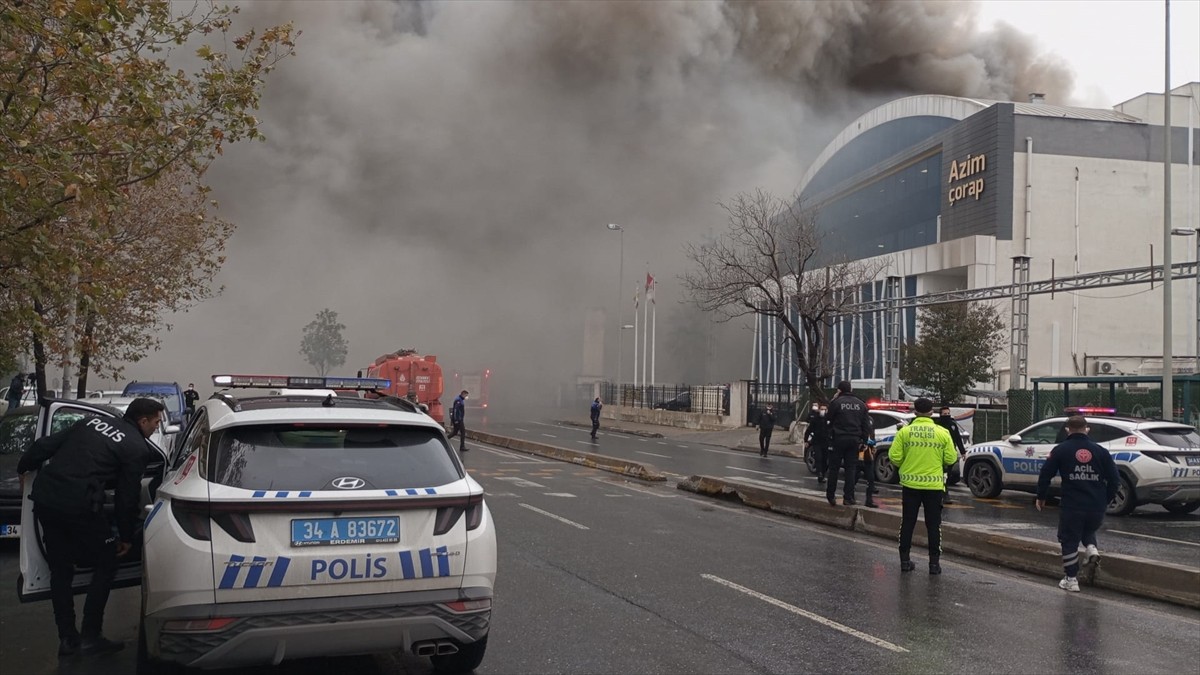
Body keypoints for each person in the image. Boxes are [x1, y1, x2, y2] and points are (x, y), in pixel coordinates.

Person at [17, 397, 166, 656]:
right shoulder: (137, 448)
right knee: (107, 559)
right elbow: (126, 496)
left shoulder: (92, 422)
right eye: (156, 422)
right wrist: (126, 535)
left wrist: (23, 468)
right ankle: (90, 635)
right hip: (80, 506)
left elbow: (45, 445)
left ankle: (67, 639)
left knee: (60, 570)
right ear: (142, 421)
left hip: (46, 499)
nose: (157, 426)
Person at [1036, 415, 1119, 593]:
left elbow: (1045, 474)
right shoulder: (1101, 451)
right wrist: (1105, 500)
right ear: (1086, 428)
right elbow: (1114, 479)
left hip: (1072, 505)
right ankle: (1091, 548)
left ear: (1068, 429)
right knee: (1087, 530)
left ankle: (1071, 579)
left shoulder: (1061, 450)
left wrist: (1041, 496)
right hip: (1096, 505)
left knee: (1069, 539)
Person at [888, 397, 958, 574]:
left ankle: (905, 561)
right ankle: (934, 564)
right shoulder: (942, 432)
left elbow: (894, 457)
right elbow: (951, 458)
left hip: (910, 485)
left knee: (908, 523)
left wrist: (907, 463)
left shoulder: (905, 432)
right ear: (932, 412)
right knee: (933, 525)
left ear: (915, 411)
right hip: (934, 487)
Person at [825, 381, 871, 506]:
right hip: (854, 440)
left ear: (839, 390)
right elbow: (866, 425)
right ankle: (848, 497)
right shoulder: (861, 404)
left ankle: (831, 496)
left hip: (838, 439)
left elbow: (828, 419)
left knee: (834, 468)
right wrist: (864, 441)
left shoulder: (836, 402)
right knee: (851, 469)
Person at [935, 406, 967, 505]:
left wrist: (962, 452)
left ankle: (944, 493)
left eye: (948, 414)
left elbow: (958, 438)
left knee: (946, 475)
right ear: (941, 415)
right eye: (945, 414)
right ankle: (943, 494)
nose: (947, 416)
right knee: (940, 475)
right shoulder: (937, 425)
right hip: (938, 453)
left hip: (949, 453)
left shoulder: (952, 425)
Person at [804, 403, 830, 485]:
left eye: (824, 409)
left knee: (825, 460)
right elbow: (808, 430)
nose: (823, 411)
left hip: (826, 442)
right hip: (817, 442)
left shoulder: (829, 420)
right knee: (818, 457)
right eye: (821, 409)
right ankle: (820, 474)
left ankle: (823, 472)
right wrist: (806, 441)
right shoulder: (815, 419)